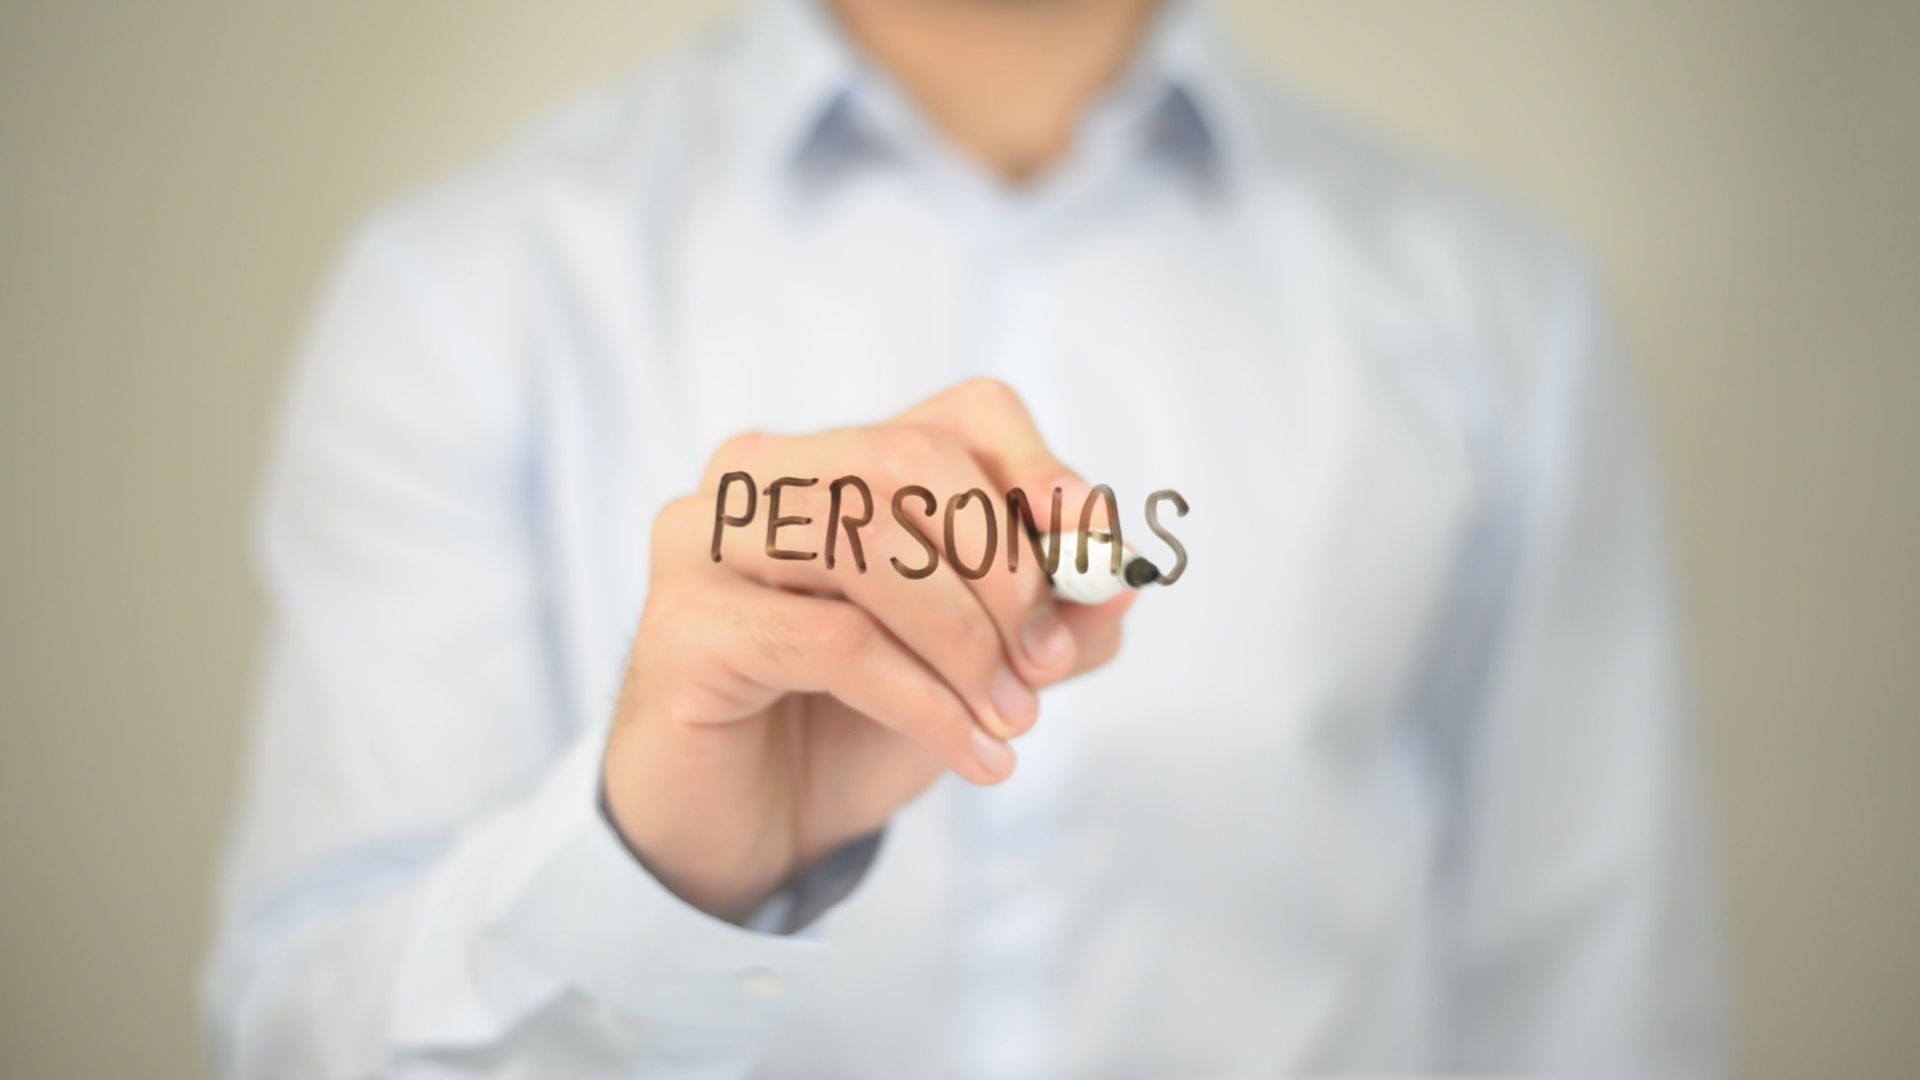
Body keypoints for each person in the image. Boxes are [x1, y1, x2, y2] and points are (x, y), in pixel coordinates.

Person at [203, 0, 1730, 1075]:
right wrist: (654, 871)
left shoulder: (1502, 319)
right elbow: (297, 1042)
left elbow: (1592, 1022)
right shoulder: (461, 295)